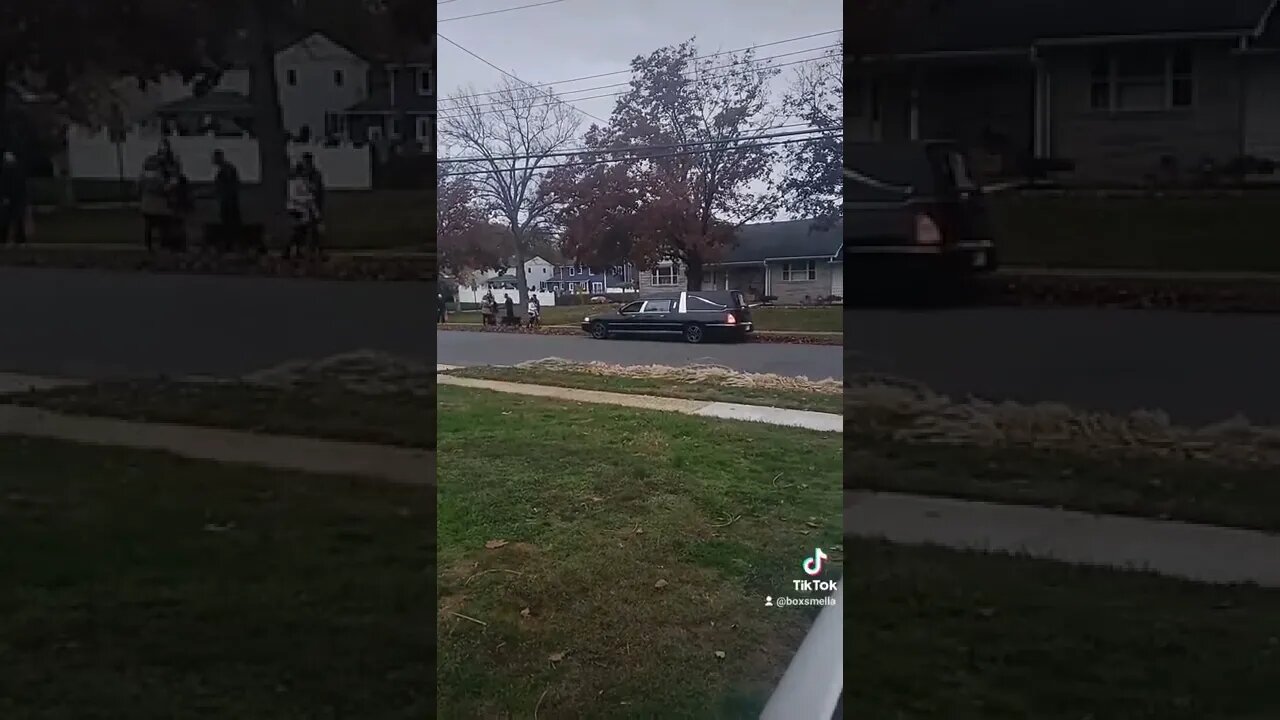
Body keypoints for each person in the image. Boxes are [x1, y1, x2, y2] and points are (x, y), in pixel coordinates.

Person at [284, 161, 321, 259]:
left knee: (302, 231)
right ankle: (289, 249)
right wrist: (306, 199)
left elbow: (309, 195)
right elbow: (293, 196)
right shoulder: (293, 182)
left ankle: (298, 250)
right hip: (296, 208)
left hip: (303, 209)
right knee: (298, 231)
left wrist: (314, 210)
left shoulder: (304, 181)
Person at [138, 156, 171, 252]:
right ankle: (163, 244)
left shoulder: (143, 177)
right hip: (159, 205)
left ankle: (148, 245)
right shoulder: (160, 178)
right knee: (162, 225)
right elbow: (164, 190)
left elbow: (138, 190)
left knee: (148, 226)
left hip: (146, 204)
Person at [0, 151, 29, 246]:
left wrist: (5, 197)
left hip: (11, 199)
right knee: (16, 219)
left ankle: (5, 239)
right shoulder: (18, 170)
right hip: (16, 199)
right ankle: (19, 239)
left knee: (7, 220)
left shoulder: (7, 170)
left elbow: (5, 185)